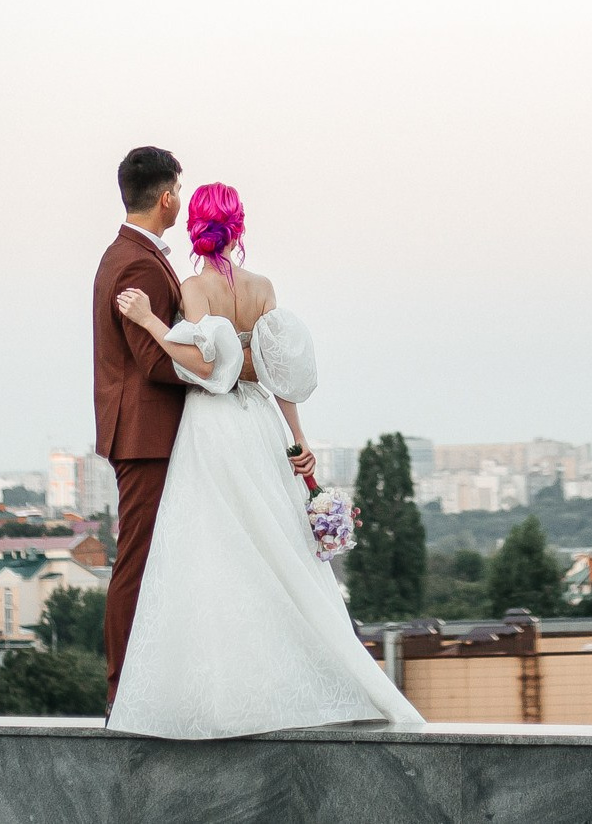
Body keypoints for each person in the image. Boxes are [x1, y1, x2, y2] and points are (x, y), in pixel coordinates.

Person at [103, 179, 422, 737]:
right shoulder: (264, 288)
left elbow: (204, 366)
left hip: (214, 425)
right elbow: (279, 377)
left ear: (196, 225)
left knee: (216, 554)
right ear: (239, 226)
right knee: (280, 550)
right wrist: (298, 444)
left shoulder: (191, 288)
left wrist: (150, 320)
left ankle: (220, 696)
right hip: (262, 425)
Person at [91, 146, 193, 705]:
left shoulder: (127, 253)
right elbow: (154, 360)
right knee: (138, 558)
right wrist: (216, 373)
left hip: (141, 431)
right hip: (145, 434)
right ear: (167, 196)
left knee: (149, 556)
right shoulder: (138, 262)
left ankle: (140, 679)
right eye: (179, 188)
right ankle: (123, 687)